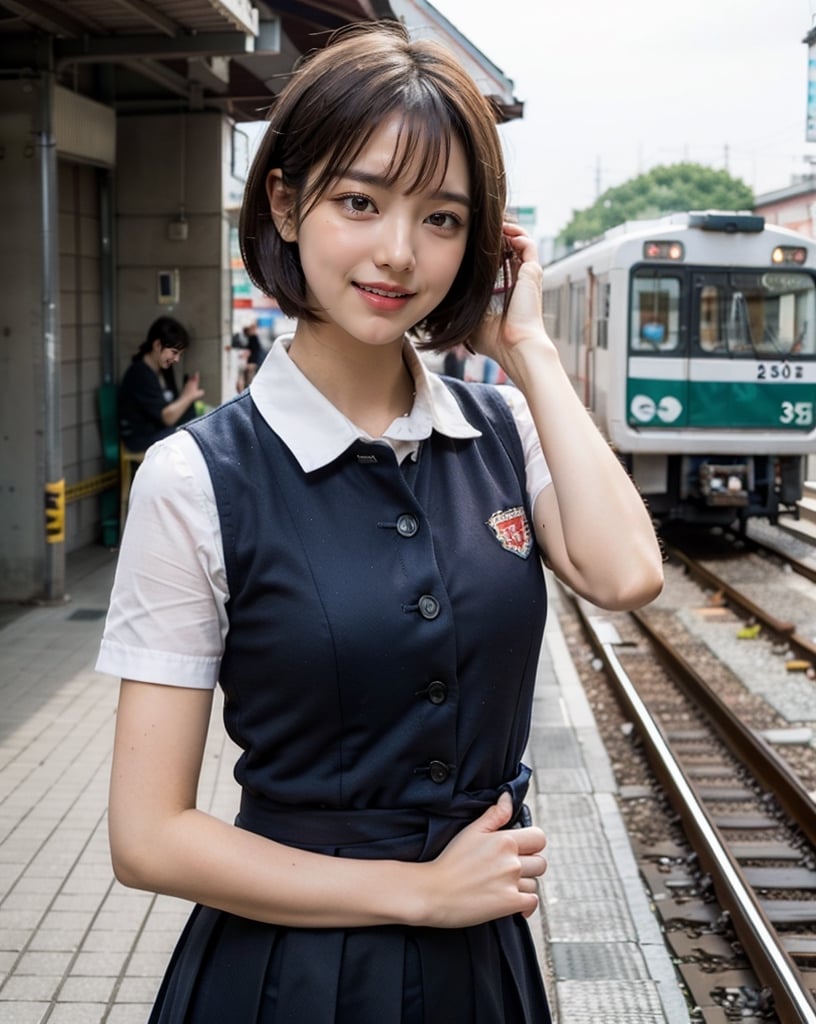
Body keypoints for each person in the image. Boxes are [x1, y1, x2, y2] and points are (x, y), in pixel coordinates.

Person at [97, 21, 664, 1024]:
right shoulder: (196, 477)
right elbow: (148, 836)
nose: (398, 252)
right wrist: (417, 892)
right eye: (360, 202)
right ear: (285, 200)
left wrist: (526, 345)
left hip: (480, 968)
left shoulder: (500, 426)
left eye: (443, 219)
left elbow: (626, 574)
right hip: (286, 979)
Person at [118, 316, 205, 452]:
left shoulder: (164, 369)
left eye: (180, 355)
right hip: (140, 438)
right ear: (157, 345)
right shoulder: (139, 373)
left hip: (159, 430)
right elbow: (167, 418)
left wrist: (188, 395)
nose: (176, 359)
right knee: (189, 436)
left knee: (202, 422)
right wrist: (188, 396)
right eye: (174, 352)